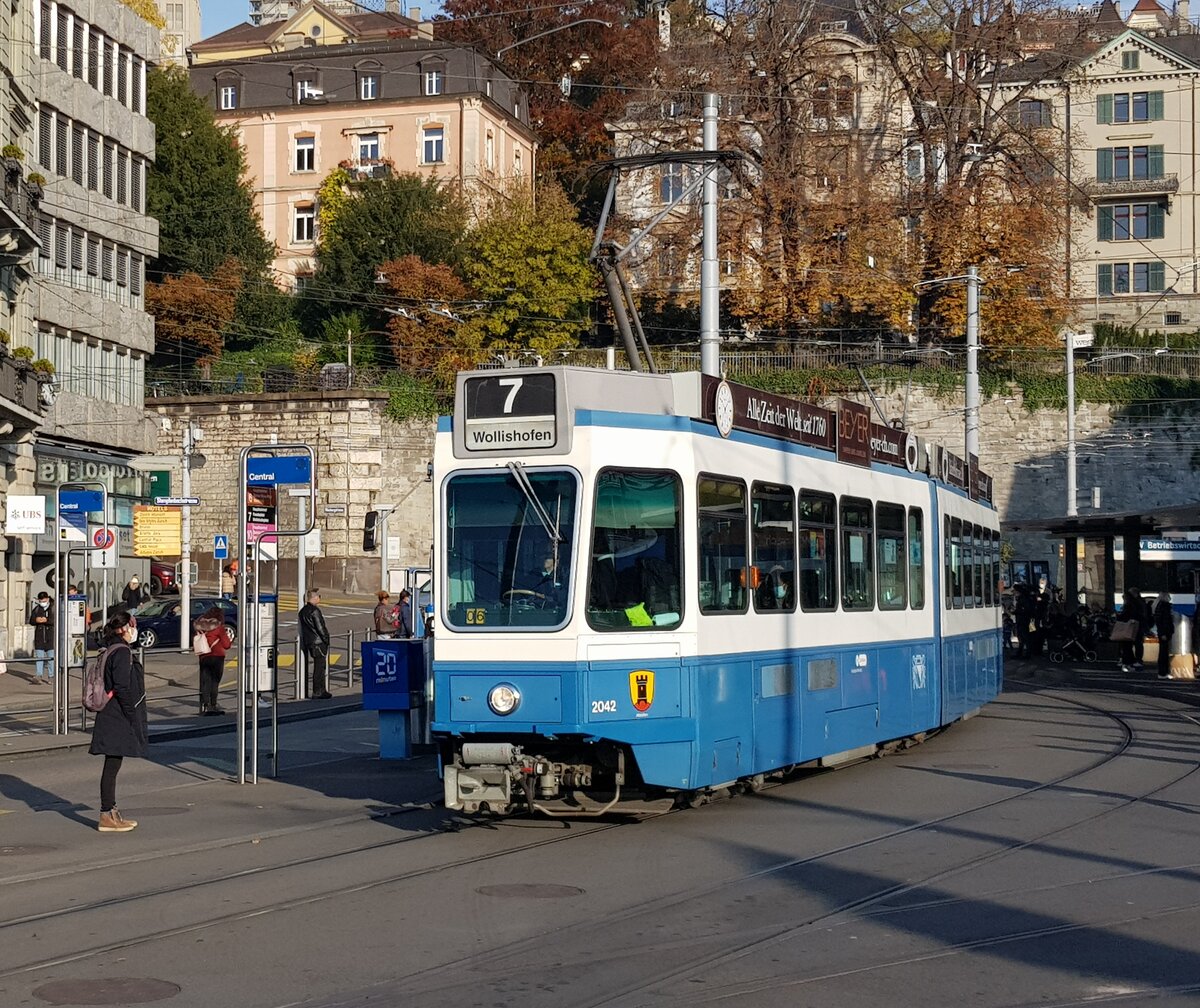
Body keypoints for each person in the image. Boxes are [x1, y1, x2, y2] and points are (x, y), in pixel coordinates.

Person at [88, 610, 147, 833]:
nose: (134, 631)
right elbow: (121, 686)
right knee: (112, 765)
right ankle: (107, 814)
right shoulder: (121, 652)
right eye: (132, 626)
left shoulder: (110, 648)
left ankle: (111, 812)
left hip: (109, 713)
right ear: (123, 629)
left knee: (113, 763)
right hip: (116, 714)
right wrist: (132, 714)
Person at [194, 606, 232, 715]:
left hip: (203, 656)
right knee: (214, 682)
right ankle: (213, 705)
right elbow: (226, 644)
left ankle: (204, 705)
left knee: (205, 681)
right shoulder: (219, 628)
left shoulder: (199, 626)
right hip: (217, 656)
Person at [299, 589, 331, 699]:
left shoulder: (303, 611)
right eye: (319, 596)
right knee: (320, 667)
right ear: (314, 597)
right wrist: (326, 639)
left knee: (319, 666)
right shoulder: (315, 611)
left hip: (309, 641)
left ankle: (321, 690)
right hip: (318, 642)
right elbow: (320, 627)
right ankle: (318, 691)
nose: (320, 598)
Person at [28, 591, 54, 683]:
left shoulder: (53, 608)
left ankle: (51, 676)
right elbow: (31, 620)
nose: (42, 602)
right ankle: (38, 675)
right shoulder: (36, 609)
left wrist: (46, 620)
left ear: (47, 599)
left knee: (51, 658)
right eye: (40, 600)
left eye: (43, 600)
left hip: (51, 637)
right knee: (39, 658)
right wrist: (36, 620)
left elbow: (56, 620)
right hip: (39, 637)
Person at [1153, 591, 1175, 680]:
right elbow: (1165, 621)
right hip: (1165, 633)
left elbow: (1159, 621)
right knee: (1164, 653)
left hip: (1162, 632)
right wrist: (1165, 633)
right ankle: (1164, 672)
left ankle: (1163, 672)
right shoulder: (1165, 607)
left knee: (1163, 652)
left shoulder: (1158, 606)